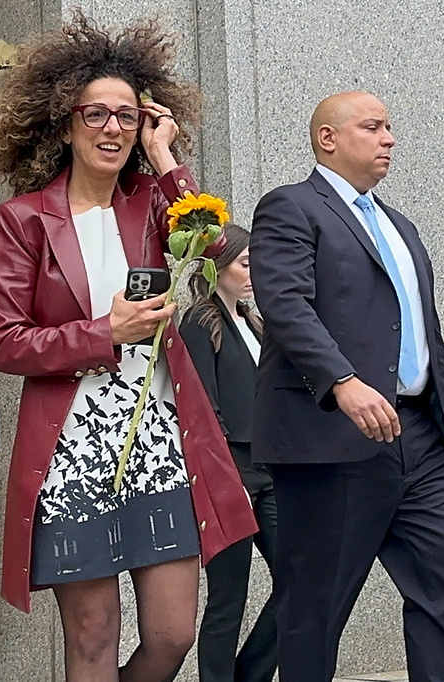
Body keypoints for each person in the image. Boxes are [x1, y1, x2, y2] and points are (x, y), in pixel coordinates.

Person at [0, 14, 256, 682]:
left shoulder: (151, 205)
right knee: (95, 640)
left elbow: (217, 246)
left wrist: (166, 158)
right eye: (96, 113)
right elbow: (7, 342)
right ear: (65, 123)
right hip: (73, 454)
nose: (112, 128)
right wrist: (106, 334)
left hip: (160, 448)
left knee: (170, 636)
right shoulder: (25, 220)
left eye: (128, 117)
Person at [248, 91, 444, 682]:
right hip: (331, 438)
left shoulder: (399, 224)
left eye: (390, 127)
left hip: (420, 439)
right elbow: (285, 306)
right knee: (315, 610)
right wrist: (342, 382)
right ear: (328, 138)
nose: (389, 138)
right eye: (373, 127)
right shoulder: (290, 207)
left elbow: (424, 329)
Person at [180, 224, 277, 682]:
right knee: (228, 596)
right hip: (229, 472)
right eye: (244, 263)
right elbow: (203, 407)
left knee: (301, 579)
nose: (254, 271)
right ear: (218, 267)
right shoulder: (201, 321)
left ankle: (250, 675)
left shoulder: (256, 322)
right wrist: (223, 476)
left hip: (271, 469)